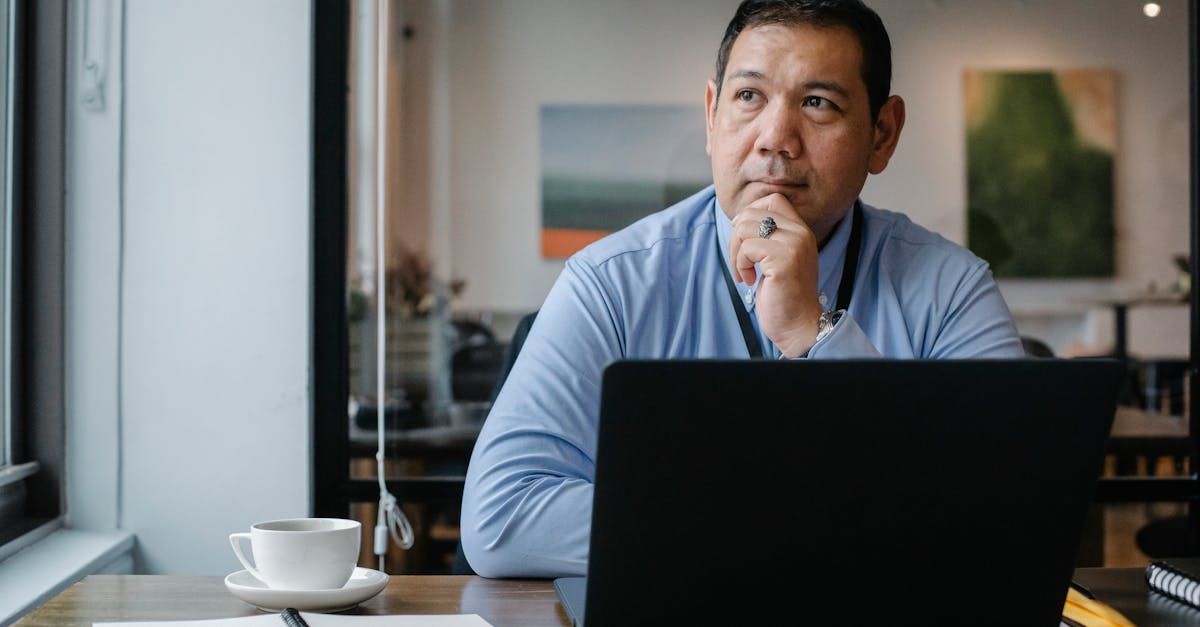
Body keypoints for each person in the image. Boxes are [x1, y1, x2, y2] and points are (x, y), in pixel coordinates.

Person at [461, 0, 1024, 578]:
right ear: (712, 114)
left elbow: (1015, 516)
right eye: (749, 97)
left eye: (818, 103)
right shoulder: (610, 283)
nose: (776, 139)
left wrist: (814, 331)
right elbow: (500, 516)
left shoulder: (950, 288)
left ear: (882, 134)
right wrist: (783, 520)